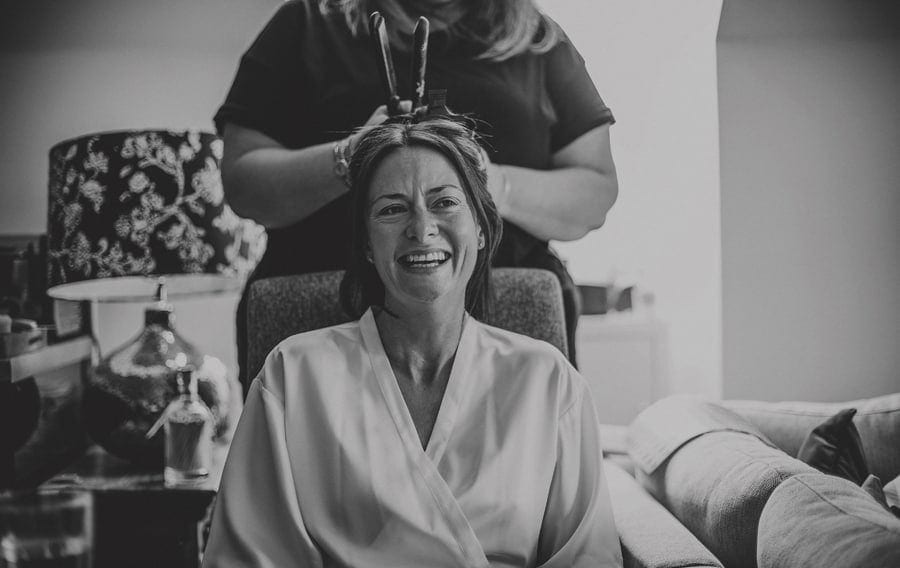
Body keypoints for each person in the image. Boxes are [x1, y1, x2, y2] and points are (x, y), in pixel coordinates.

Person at [202, 117, 623, 567]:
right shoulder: (292, 374)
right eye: (391, 209)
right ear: (366, 243)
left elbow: (588, 557)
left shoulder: (549, 380)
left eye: (444, 202)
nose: (421, 228)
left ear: (481, 230)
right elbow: (248, 557)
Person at [216, 0, 618, 392]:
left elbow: (595, 193)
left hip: (506, 316)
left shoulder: (537, 38)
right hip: (320, 322)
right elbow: (243, 184)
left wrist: (491, 184)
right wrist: (349, 156)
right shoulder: (306, 23)